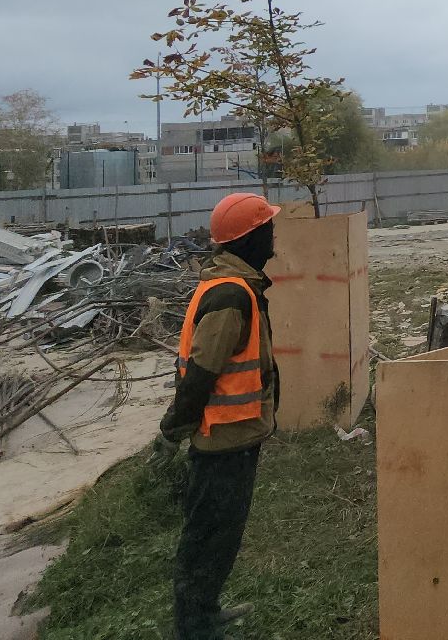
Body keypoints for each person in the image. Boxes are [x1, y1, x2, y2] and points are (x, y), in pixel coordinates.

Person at [158, 192, 282, 639]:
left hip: (237, 437)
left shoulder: (236, 287)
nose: (274, 235)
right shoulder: (231, 295)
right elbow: (201, 372)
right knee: (208, 537)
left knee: (221, 537)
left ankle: (205, 612)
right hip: (221, 441)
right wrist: (173, 431)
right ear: (248, 240)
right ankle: (194, 627)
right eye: (267, 228)